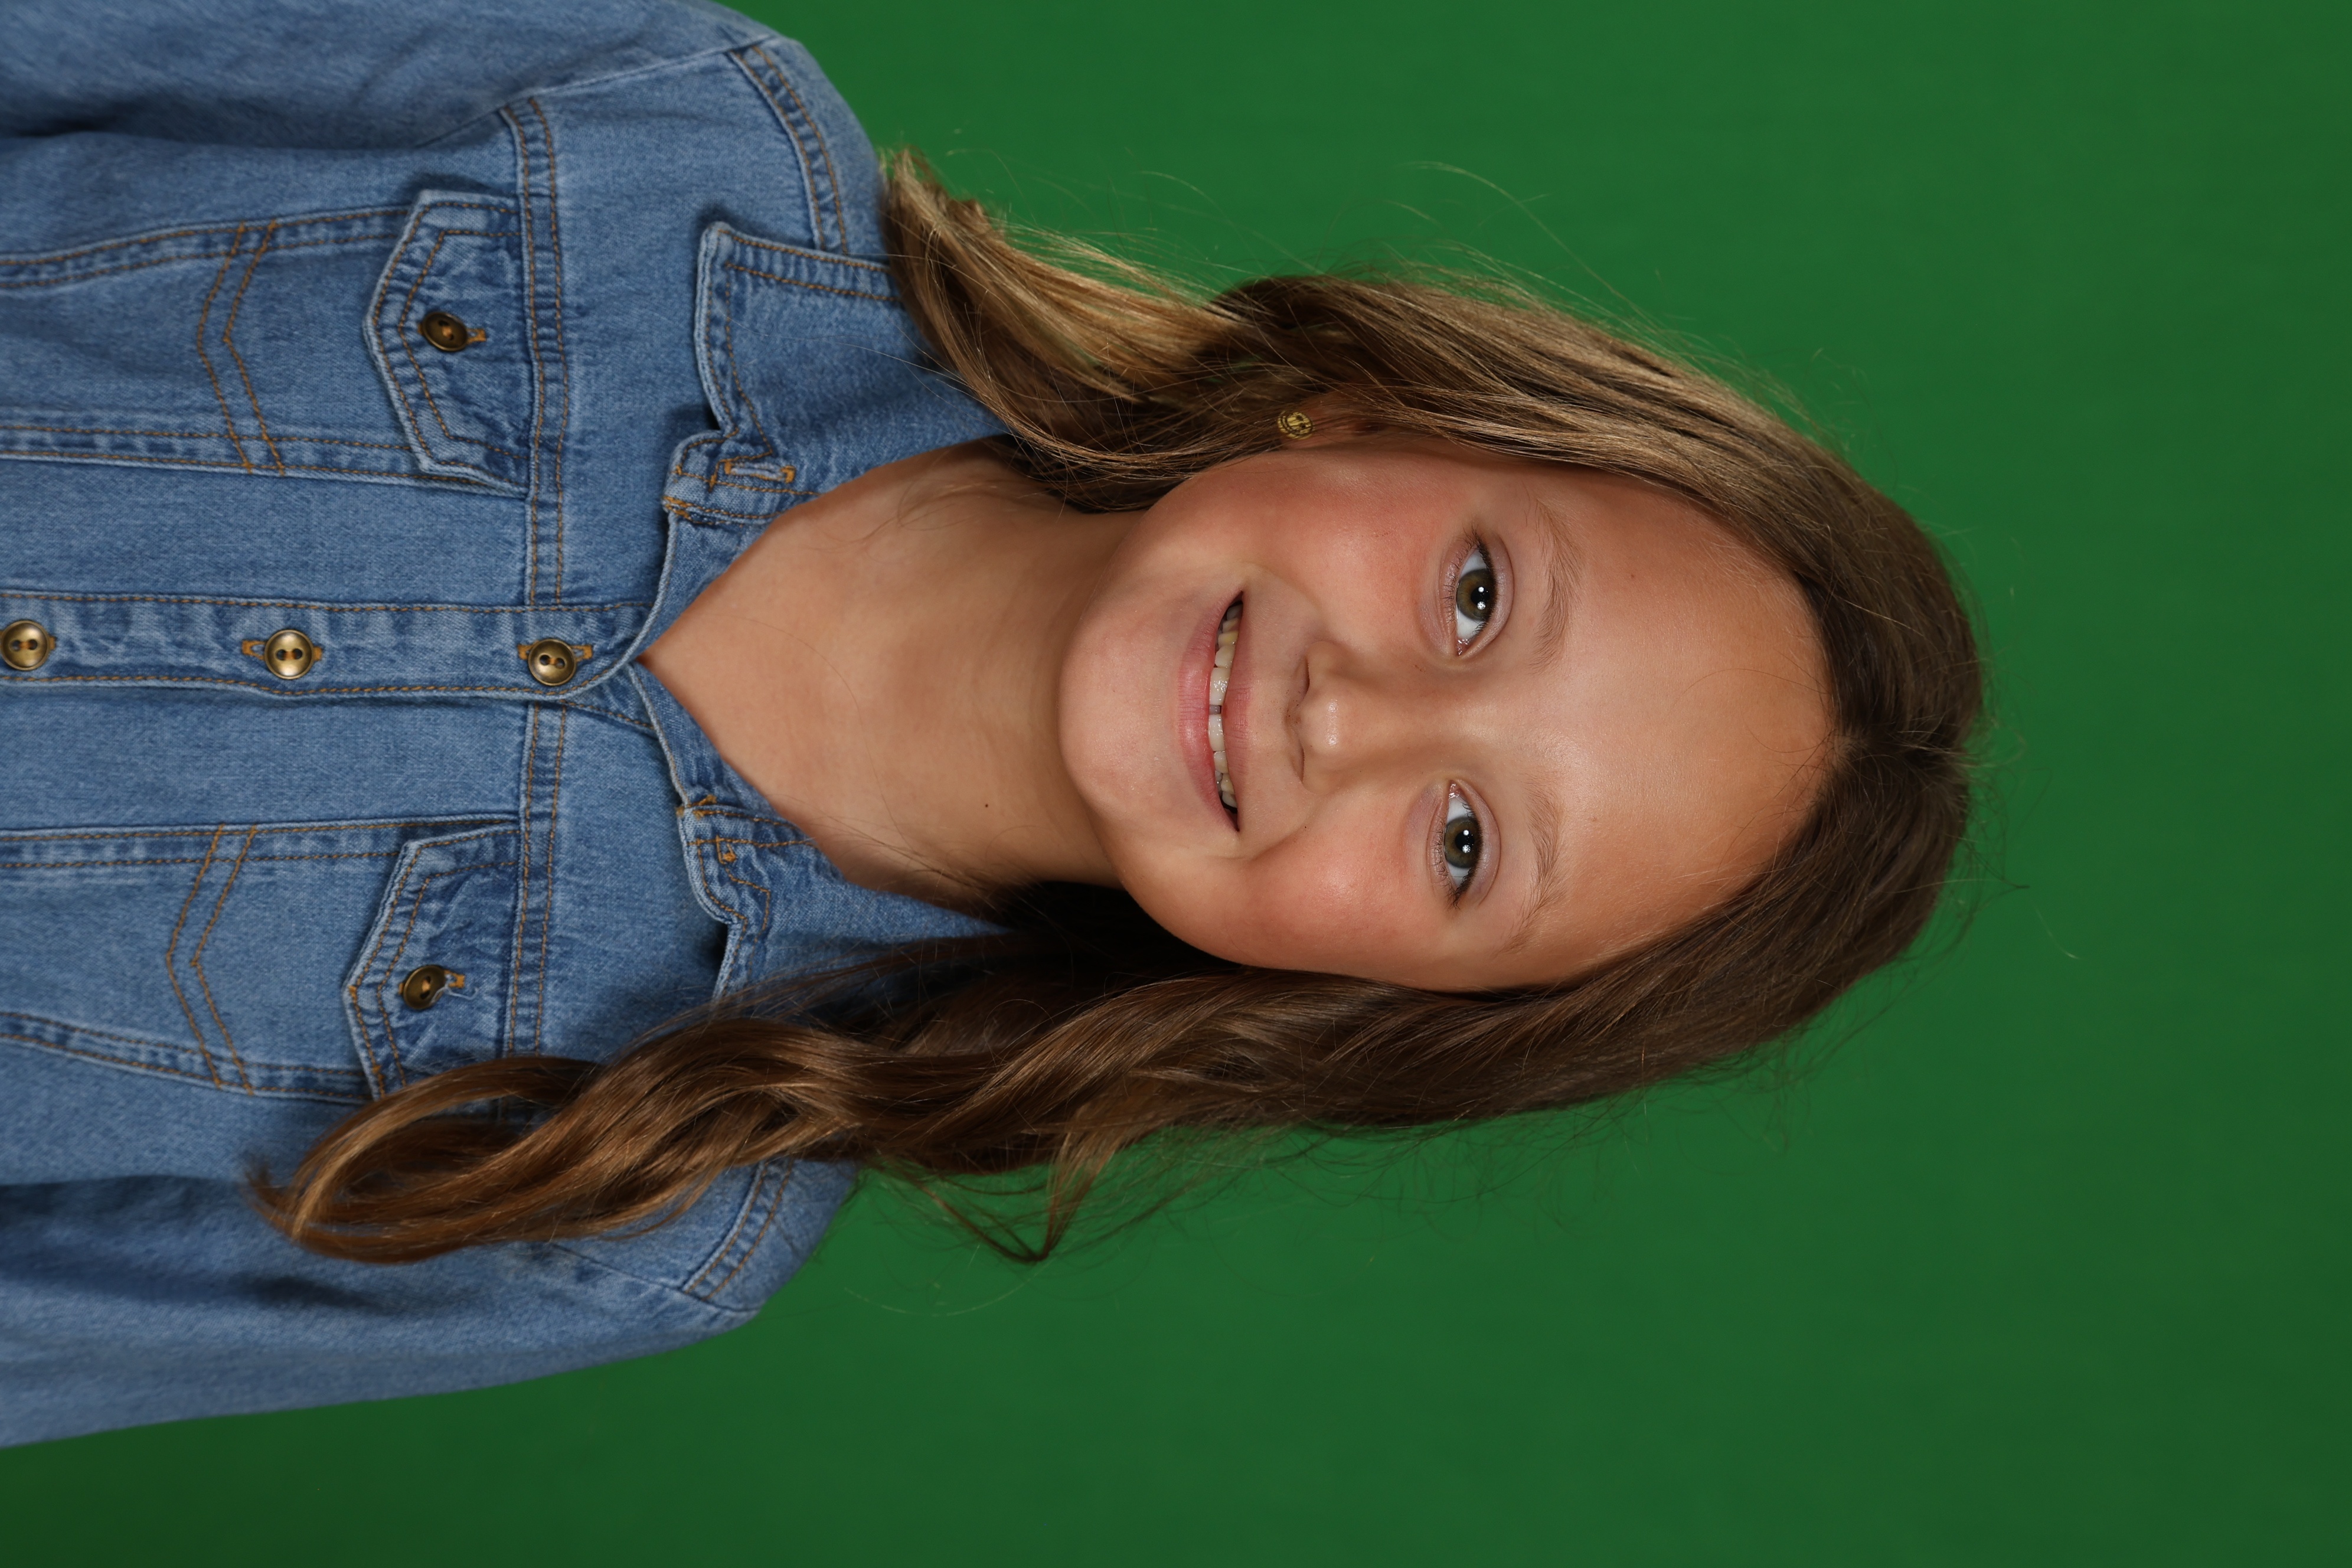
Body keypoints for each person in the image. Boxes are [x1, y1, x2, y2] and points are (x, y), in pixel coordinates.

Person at [0, 0, 1979, 1446]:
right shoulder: (645, 120)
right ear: (1385, 412)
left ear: (1365, 1000)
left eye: (1464, 843)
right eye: (1477, 595)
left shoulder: (628, 1214)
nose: (1352, 716)